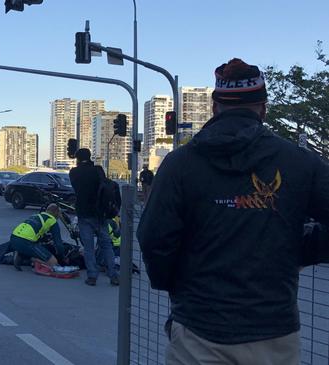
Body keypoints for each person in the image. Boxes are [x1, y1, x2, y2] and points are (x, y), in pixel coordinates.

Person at [137, 58, 329, 364]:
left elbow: (153, 239)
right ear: (264, 109)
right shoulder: (299, 162)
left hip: (198, 335)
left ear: (215, 108)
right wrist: (297, 250)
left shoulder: (179, 165)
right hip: (275, 337)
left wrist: (177, 286)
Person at [69, 148, 118, 286]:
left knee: (89, 247)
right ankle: (113, 275)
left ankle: (92, 276)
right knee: (106, 245)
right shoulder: (98, 170)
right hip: (100, 214)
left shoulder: (74, 173)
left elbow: (76, 188)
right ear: (90, 157)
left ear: (77, 159)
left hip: (84, 214)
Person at [0, 204, 65, 269]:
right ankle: (28, 259)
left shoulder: (36, 215)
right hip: (26, 242)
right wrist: (62, 257)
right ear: (56, 213)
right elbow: (58, 243)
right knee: (53, 263)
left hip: (14, 237)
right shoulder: (52, 220)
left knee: (11, 245)